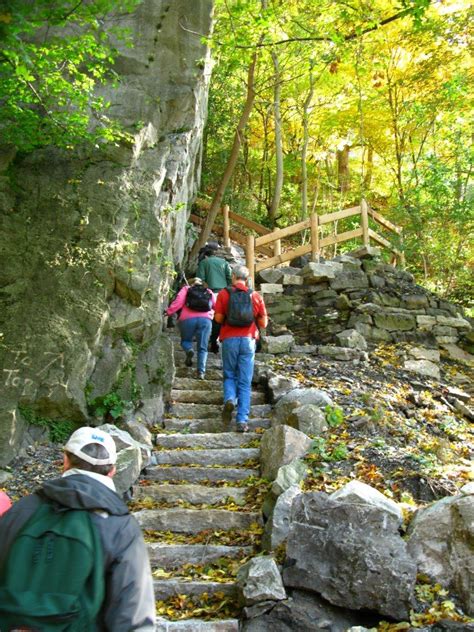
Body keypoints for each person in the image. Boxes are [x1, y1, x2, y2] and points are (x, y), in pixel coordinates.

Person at [0, 427, 156, 631]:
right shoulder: (120, 525)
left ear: (65, 460)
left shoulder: (22, 511)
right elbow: (133, 612)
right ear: (112, 470)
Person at [214, 265, 268, 432]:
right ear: (247, 278)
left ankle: (230, 398)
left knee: (229, 374)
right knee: (245, 382)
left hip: (229, 339)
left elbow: (218, 318)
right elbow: (263, 323)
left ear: (233, 277)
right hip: (248, 340)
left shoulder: (224, 294)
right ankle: (242, 421)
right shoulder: (255, 296)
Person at [166, 277, 216, 379]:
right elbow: (216, 306)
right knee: (203, 347)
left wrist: (168, 312)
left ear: (190, 283)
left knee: (185, 341)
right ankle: (201, 372)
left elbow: (178, 302)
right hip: (205, 320)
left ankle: (189, 349)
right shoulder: (208, 291)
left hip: (187, 319)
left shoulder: (186, 289)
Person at [196, 242, 232, 353]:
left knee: (208, 317)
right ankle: (215, 340)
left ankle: (204, 340)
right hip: (223, 293)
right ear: (215, 253)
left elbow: (200, 279)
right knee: (219, 317)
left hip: (209, 293)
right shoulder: (223, 262)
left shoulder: (203, 262)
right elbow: (230, 277)